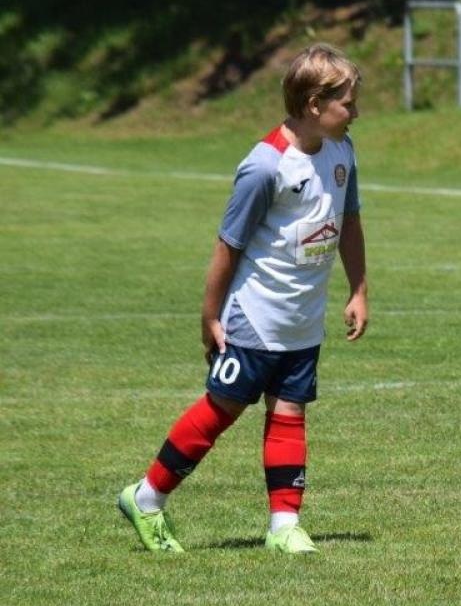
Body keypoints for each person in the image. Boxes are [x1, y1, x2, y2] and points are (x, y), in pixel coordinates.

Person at [117, 44, 370, 555]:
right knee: (221, 410)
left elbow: (350, 223)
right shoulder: (264, 166)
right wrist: (209, 315)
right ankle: (145, 498)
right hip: (255, 316)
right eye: (348, 102)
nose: (357, 112)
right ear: (314, 104)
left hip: (303, 322)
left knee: (290, 414)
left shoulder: (343, 152)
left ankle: (283, 526)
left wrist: (359, 289)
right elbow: (227, 245)